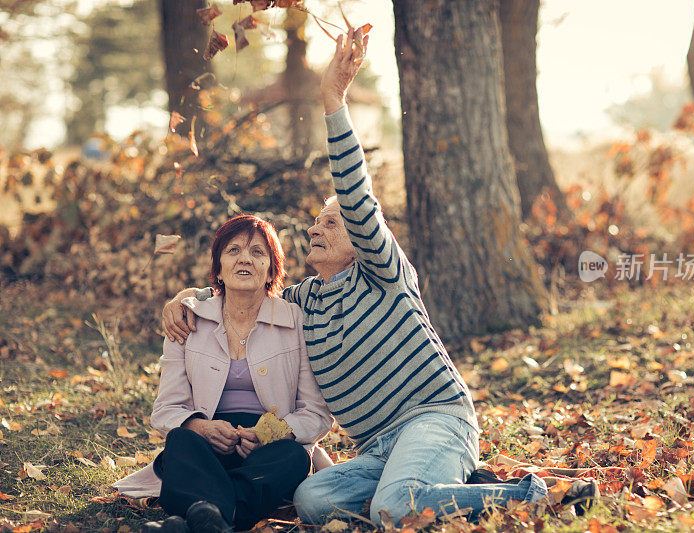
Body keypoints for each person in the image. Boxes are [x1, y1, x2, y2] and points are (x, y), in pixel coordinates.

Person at [161, 28, 558, 526]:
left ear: (363, 232)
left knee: (394, 507)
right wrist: (186, 298)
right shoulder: (303, 301)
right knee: (312, 502)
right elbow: (243, 287)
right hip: (377, 448)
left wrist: (333, 99)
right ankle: (451, 487)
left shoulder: (384, 274)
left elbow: (354, 193)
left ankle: (529, 494)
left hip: (433, 419)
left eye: (331, 222)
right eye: (316, 222)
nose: (314, 228)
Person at [114, 215, 333, 533]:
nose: (245, 258)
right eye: (233, 250)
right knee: (181, 440)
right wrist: (201, 428)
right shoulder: (187, 321)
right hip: (206, 450)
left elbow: (315, 415)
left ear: (272, 269)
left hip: (266, 453)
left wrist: (267, 436)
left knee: (294, 457)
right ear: (217, 268)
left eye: (258, 252)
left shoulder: (296, 322)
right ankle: (219, 519)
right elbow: (166, 411)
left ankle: (200, 513)